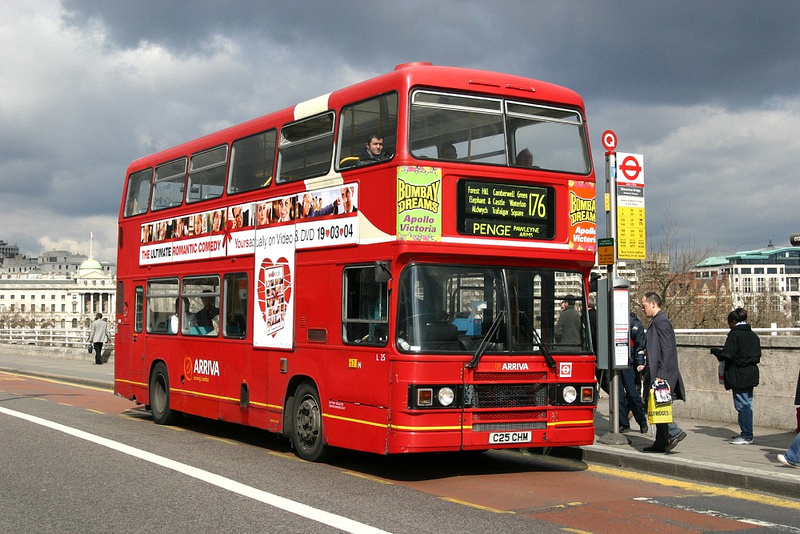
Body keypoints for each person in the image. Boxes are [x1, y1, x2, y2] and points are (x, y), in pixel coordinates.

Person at [640, 292, 687, 453]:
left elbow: (667, 350)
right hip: (655, 371)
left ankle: (674, 432)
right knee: (654, 404)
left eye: (644, 305)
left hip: (661, 373)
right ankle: (661, 442)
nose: (642, 309)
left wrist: (661, 374)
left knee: (657, 406)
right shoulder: (657, 321)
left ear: (653, 304)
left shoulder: (662, 322)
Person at [711, 308, 761, 445]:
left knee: (742, 405)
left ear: (733, 322)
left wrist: (715, 352)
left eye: (729, 323)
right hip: (751, 373)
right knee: (747, 404)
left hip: (739, 374)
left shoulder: (735, 335)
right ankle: (747, 433)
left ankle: (746, 435)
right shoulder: (753, 335)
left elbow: (727, 354)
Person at [619, 310, 648, 433]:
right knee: (618, 396)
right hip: (617, 363)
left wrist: (639, 363)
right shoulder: (611, 322)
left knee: (633, 395)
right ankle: (622, 423)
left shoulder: (635, 323)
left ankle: (641, 421)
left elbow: (640, 345)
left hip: (630, 364)